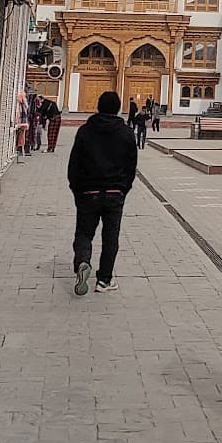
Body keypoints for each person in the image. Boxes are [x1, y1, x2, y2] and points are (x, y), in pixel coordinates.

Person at [68, 91, 139, 294]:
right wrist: (124, 189)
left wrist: (77, 190)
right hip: (115, 192)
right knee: (110, 237)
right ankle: (105, 280)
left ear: (98, 106)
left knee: (84, 232)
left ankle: (82, 261)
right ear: (117, 108)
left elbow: (74, 165)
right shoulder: (126, 133)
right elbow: (131, 166)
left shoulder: (85, 131)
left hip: (88, 192)